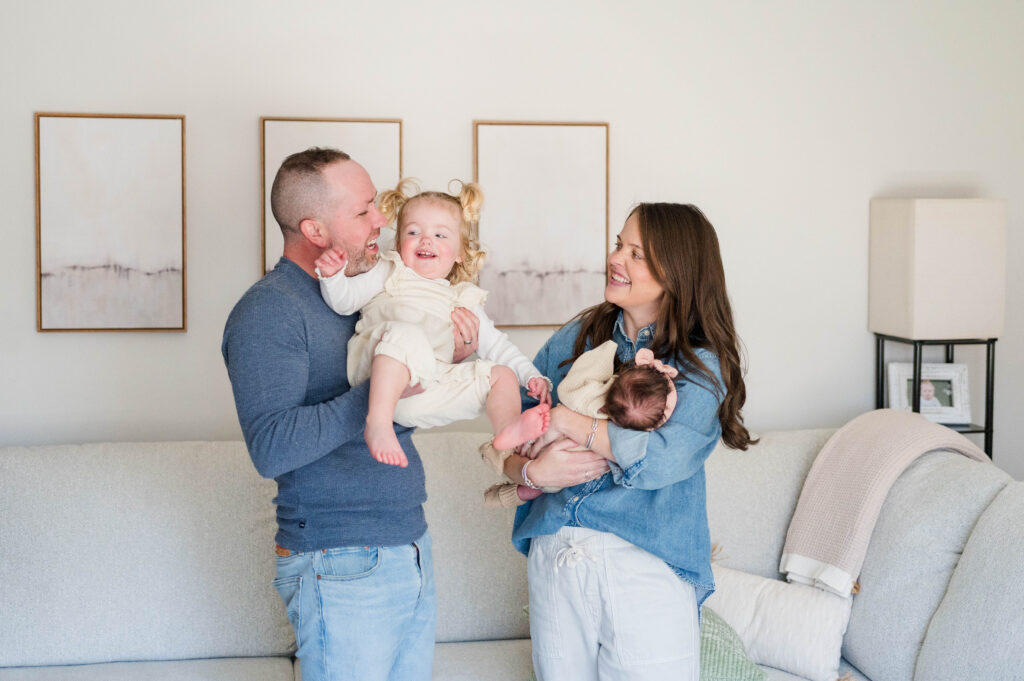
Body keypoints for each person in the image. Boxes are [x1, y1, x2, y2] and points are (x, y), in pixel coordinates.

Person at [221, 148, 483, 681]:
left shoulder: (366, 296)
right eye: (364, 211)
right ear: (315, 229)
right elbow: (271, 446)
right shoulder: (270, 310)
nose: (383, 221)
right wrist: (380, 393)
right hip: (339, 558)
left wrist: (443, 359)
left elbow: (404, 409)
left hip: (406, 543)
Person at [499, 203, 756, 681]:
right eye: (620, 244)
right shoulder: (578, 337)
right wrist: (531, 473)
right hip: (556, 556)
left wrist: (570, 422)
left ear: (676, 272)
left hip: (644, 565)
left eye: (637, 253)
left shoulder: (701, 364)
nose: (616, 258)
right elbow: (508, 439)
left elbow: (661, 462)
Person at [312, 178, 552, 468]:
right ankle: (378, 423)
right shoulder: (388, 271)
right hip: (376, 374)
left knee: (501, 374)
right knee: (407, 333)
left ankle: (506, 431)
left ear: (460, 252)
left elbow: (498, 347)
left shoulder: (462, 298)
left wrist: (531, 376)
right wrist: (333, 277)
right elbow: (344, 302)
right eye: (414, 232)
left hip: (426, 388)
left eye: (441, 235)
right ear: (399, 243)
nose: (426, 240)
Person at [481, 341, 679, 507]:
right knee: (535, 485)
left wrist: (607, 349)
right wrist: (529, 473)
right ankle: (518, 491)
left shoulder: (588, 395)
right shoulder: (624, 430)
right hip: (553, 481)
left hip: (542, 456)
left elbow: (578, 380)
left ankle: (496, 457)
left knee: (504, 444)